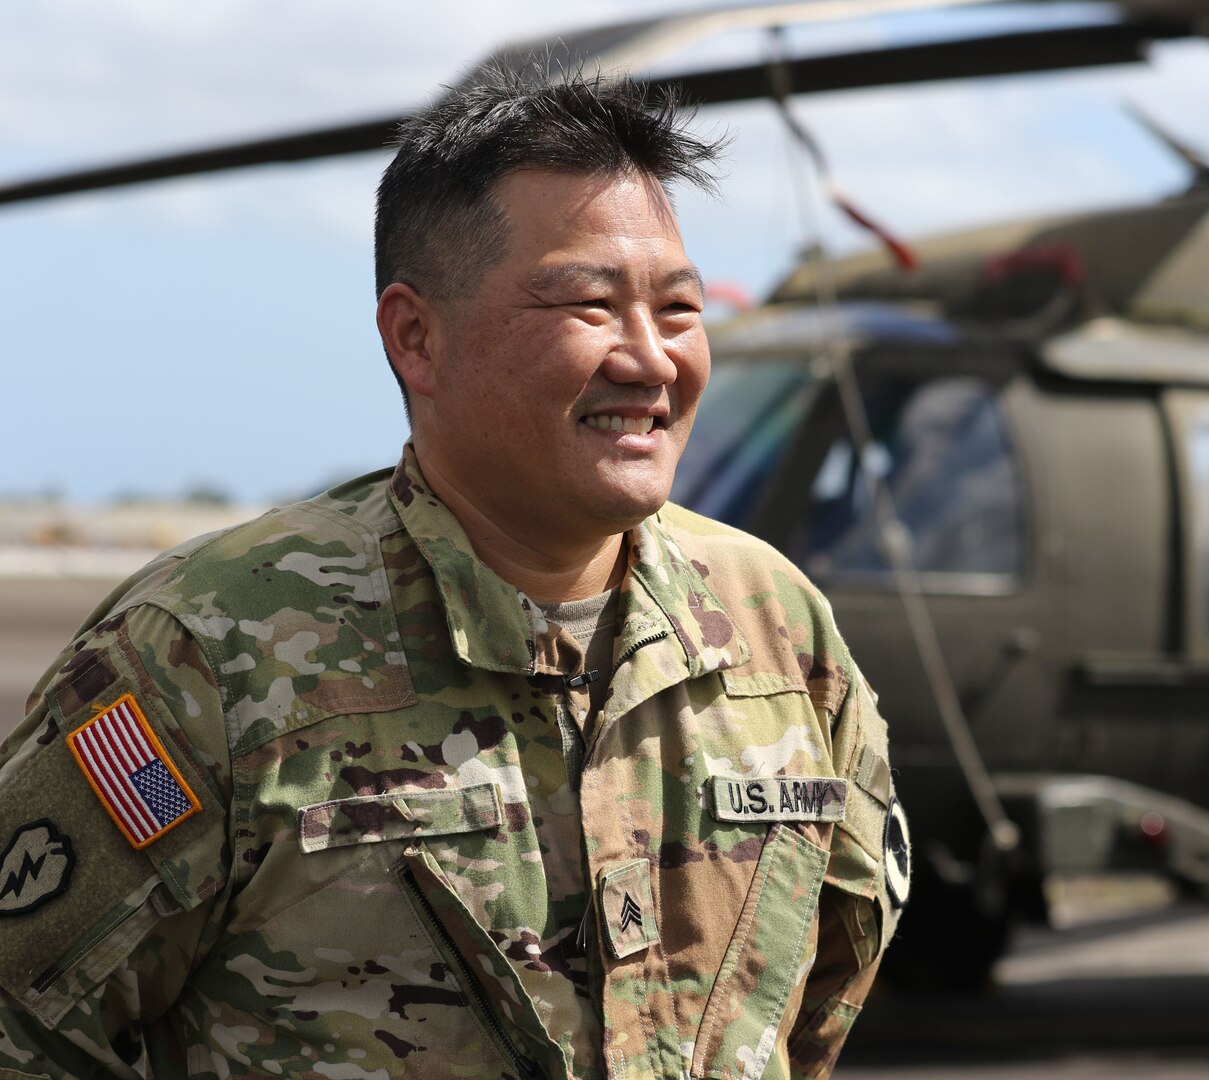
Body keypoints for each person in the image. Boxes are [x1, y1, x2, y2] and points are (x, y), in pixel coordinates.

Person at [0, 68, 906, 1080]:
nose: (652, 360)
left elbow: (817, 1000)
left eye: (680, 309)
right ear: (416, 337)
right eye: (592, 304)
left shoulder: (778, 628)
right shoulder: (210, 649)